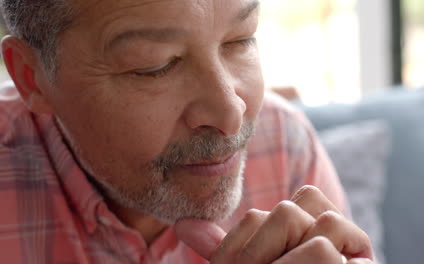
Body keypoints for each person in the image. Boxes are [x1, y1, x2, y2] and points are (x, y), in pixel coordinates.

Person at [0, 0, 374, 263]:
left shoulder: (284, 144)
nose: (231, 114)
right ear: (32, 78)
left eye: (240, 39)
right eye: (154, 66)